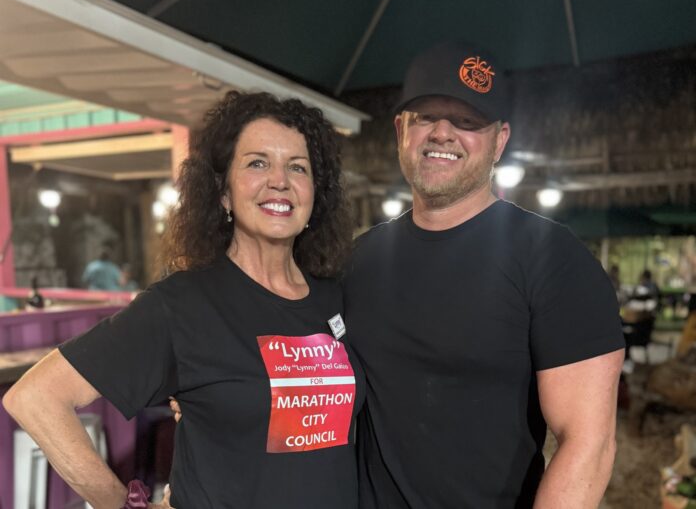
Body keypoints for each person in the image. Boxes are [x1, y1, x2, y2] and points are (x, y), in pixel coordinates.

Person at [3, 91, 365, 508]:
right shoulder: (183, 304)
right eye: (257, 162)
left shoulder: (334, 298)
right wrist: (125, 505)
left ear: (314, 194)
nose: (279, 180)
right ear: (224, 193)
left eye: (297, 167)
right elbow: (35, 399)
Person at [343, 42, 626, 508]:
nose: (442, 133)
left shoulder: (553, 259)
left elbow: (588, 445)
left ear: (500, 140)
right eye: (425, 117)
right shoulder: (357, 259)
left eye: (467, 121)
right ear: (400, 131)